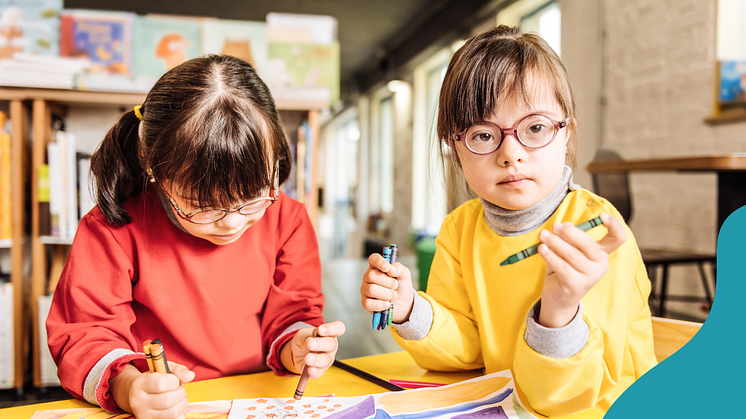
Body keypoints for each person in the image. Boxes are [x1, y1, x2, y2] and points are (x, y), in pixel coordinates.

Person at [360, 26, 657, 418]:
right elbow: (467, 349)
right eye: (483, 135)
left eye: (535, 128)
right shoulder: (460, 228)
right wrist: (408, 307)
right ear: (455, 147)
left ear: (564, 131)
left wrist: (559, 311)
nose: (510, 154)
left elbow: (578, 396)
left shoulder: (597, 231)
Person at [47, 54, 345, 418]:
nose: (232, 223)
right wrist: (130, 388)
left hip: (259, 397)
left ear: (278, 160)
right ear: (152, 167)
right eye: (203, 206)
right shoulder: (113, 228)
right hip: (161, 407)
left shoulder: (289, 219)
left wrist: (299, 346)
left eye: (253, 198)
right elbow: (84, 335)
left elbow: (293, 315)